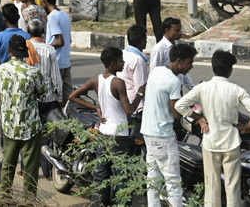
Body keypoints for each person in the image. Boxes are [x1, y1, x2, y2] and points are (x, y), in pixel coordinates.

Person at [176, 50, 250, 207]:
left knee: (212, 186)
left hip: (210, 142)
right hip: (231, 142)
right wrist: (245, 127)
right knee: (233, 187)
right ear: (230, 70)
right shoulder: (235, 89)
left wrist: (199, 119)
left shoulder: (203, 88)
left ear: (213, 68)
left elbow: (179, 105)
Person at [70, 46, 142, 206]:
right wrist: (140, 94)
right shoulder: (118, 82)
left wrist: (95, 107)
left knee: (101, 175)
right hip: (120, 136)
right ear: (113, 63)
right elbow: (129, 110)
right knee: (121, 177)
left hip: (103, 134)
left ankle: (99, 203)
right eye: (120, 60)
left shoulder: (96, 80)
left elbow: (73, 96)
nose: (123, 63)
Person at [142, 41, 196, 207]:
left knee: (153, 179)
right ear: (179, 61)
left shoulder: (157, 71)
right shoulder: (174, 82)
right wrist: (196, 114)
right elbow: (177, 113)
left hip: (148, 131)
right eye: (189, 62)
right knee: (173, 181)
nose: (191, 67)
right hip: (163, 135)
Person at [0, 34, 46, 197]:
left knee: (8, 164)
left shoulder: (0, 70)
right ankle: (29, 200)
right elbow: (43, 93)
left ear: (9, 50)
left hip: (9, 125)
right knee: (31, 167)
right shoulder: (33, 72)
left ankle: (5, 197)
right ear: (25, 52)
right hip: (30, 126)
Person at [25, 19, 62, 114]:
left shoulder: (24, 48)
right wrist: (59, 97)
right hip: (47, 97)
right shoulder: (49, 49)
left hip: (28, 96)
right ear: (43, 31)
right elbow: (56, 77)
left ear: (28, 30)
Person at [149, 17, 195, 89]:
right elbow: (154, 73)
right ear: (167, 31)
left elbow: (183, 71)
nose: (180, 33)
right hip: (165, 89)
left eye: (180, 30)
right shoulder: (159, 49)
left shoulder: (178, 46)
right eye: (176, 30)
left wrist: (192, 87)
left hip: (178, 87)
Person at [121, 24, 149, 114]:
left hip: (123, 102)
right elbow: (140, 87)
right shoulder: (138, 60)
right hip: (136, 106)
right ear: (142, 41)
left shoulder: (122, 54)